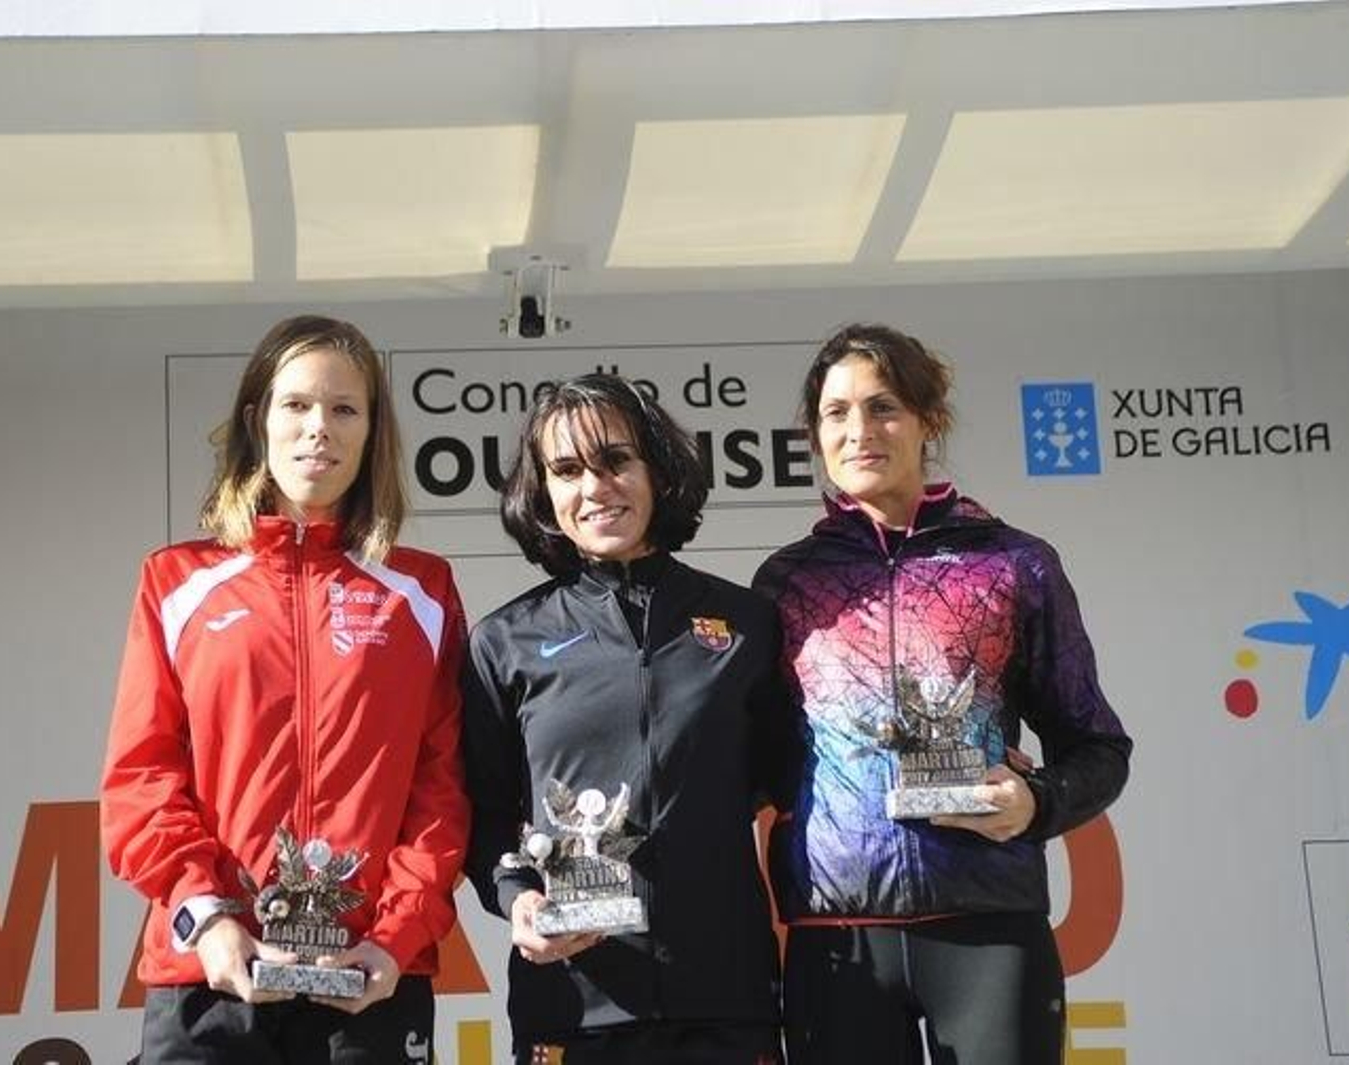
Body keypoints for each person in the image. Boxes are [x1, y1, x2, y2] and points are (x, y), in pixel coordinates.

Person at [752, 323, 1133, 1065]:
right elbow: (759, 759)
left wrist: (1037, 803)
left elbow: (1098, 745)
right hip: (838, 939)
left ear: (930, 419)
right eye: (836, 412)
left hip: (988, 923)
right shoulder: (786, 581)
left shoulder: (1014, 563)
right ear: (815, 432)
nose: (859, 430)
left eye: (884, 406)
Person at [100, 315, 469, 1064]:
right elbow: (142, 777)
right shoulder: (176, 581)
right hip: (209, 973)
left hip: (365, 980)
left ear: (372, 432)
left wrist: (392, 940)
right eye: (296, 405)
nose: (318, 430)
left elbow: (443, 790)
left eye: (344, 409)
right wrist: (208, 918)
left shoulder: (420, 590)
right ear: (256, 420)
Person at [462, 373, 790, 1065]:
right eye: (567, 469)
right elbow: (485, 814)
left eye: (615, 460)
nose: (595, 486)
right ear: (543, 491)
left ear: (658, 471)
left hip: (724, 998)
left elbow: (790, 781)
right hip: (575, 1000)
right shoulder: (504, 639)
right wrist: (519, 899)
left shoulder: (748, 623)